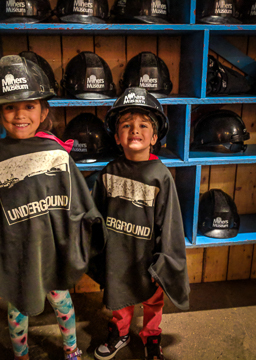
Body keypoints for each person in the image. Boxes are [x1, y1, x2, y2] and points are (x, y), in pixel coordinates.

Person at [0, 55, 106, 360]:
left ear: (43, 110)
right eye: (10, 107)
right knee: (18, 308)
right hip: (18, 254)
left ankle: (72, 351)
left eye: (29, 105)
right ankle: (21, 355)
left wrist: (85, 238)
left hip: (52, 251)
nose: (19, 114)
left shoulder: (56, 154)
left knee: (63, 304)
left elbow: (76, 206)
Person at [90, 87, 190, 360]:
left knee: (152, 300)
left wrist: (162, 261)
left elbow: (169, 223)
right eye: (126, 125)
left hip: (147, 257)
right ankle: (120, 332)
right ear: (117, 136)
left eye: (143, 125)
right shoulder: (108, 173)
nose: (135, 130)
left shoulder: (161, 177)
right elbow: (94, 216)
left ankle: (151, 337)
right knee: (119, 299)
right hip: (118, 256)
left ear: (155, 137)